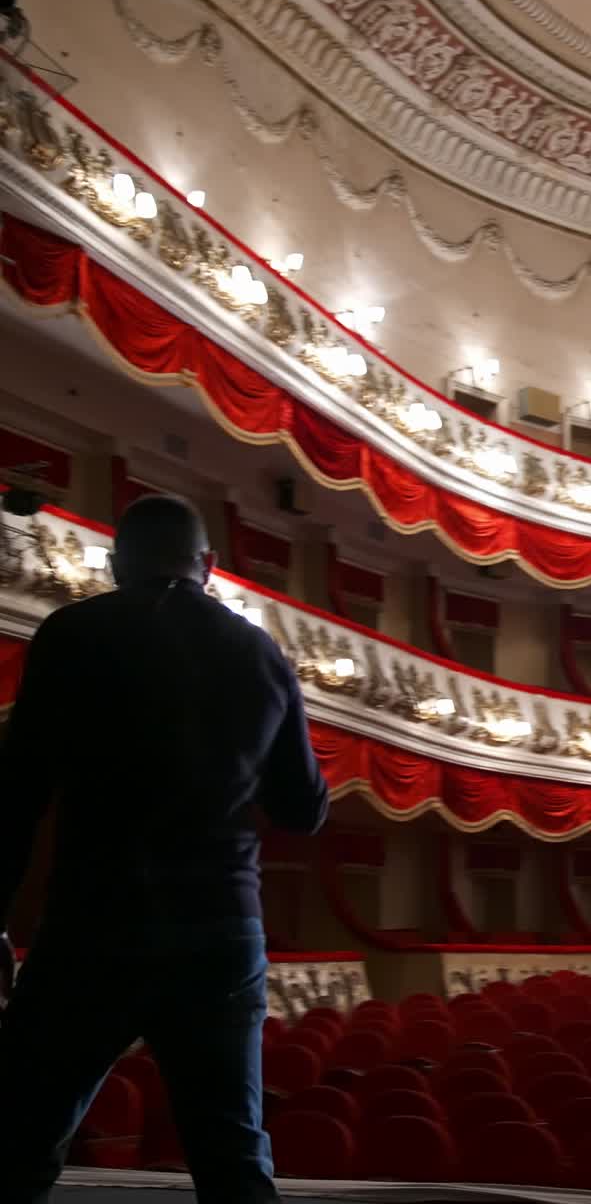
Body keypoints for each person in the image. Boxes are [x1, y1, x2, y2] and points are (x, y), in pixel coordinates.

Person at [0, 494, 329, 1203]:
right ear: (208, 565)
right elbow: (302, 812)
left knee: (18, 1142)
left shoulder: (71, 633)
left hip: (93, 922)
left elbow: (16, 795)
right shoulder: (260, 653)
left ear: (118, 565)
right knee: (232, 1155)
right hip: (220, 931)